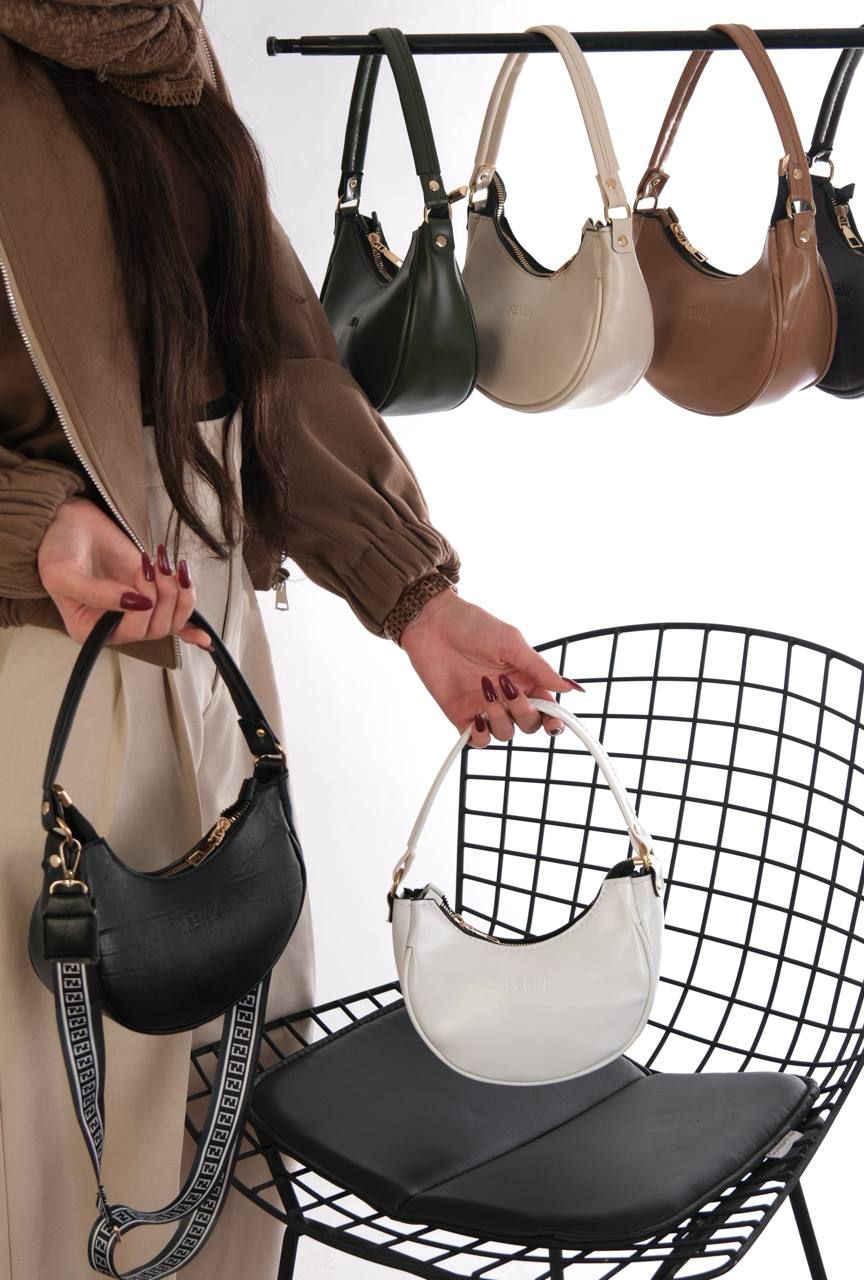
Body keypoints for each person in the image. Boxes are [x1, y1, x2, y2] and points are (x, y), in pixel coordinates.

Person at [0, 3, 580, 1276]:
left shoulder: (153, 29)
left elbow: (266, 346)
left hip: (202, 625)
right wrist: (32, 526)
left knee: (231, 1089)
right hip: (34, 649)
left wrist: (413, 594)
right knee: (45, 1135)